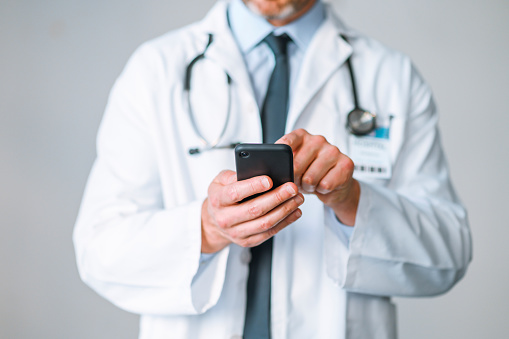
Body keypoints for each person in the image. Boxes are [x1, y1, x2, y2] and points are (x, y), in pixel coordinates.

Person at [73, 0, 472, 338]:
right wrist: (208, 229)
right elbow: (99, 249)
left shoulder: (391, 76)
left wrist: (353, 201)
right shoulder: (156, 69)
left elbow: (449, 256)